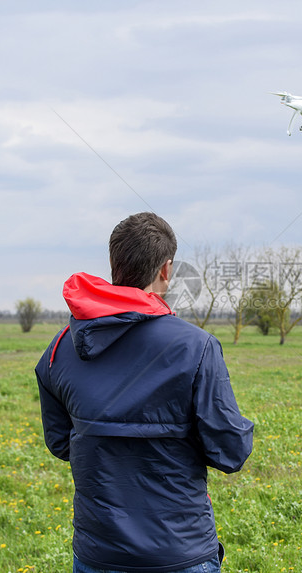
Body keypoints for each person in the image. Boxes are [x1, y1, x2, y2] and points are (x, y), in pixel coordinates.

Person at [35, 212, 254, 573]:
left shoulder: (60, 348)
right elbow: (231, 451)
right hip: (179, 551)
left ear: (114, 265)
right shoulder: (196, 347)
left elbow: (61, 443)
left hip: (98, 553)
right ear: (166, 270)